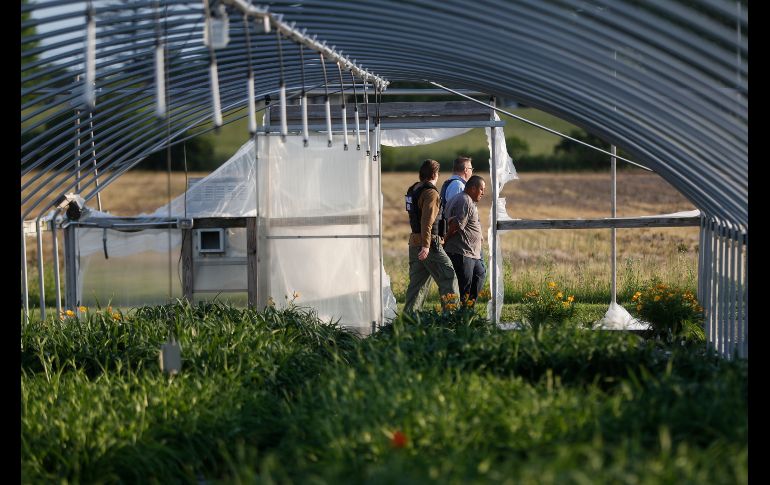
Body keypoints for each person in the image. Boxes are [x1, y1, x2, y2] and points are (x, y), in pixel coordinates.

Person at [403, 159, 460, 314]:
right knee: (449, 277)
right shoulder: (431, 193)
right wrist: (426, 245)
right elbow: (427, 221)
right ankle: (452, 317)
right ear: (435, 174)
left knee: (417, 284)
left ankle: (409, 320)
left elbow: (415, 217)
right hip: (428, 244)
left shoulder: (413, 190)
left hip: (414, 242)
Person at [444, 175, 486, 304]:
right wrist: (445, 240)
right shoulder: (465, 200)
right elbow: (456, 225)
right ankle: (462, 316)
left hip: (471, 253)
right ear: (473, 188)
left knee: (480, 274)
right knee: (465, 288)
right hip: (462, 252)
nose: (483, 193)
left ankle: (468, 311)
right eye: (481, 189)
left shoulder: (463, 199)